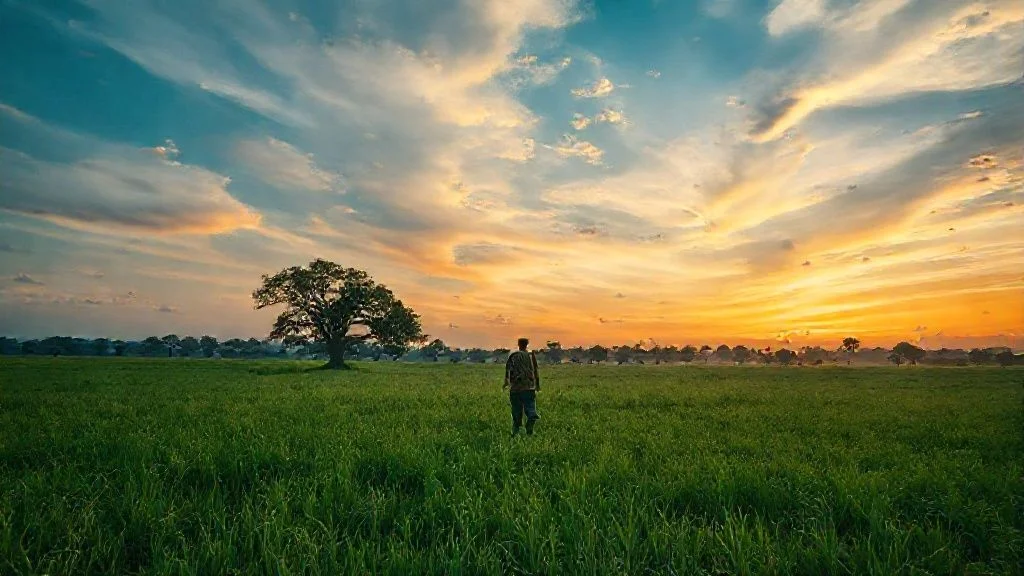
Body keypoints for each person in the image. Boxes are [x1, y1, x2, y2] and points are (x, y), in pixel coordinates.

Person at [503, 337, 540, 436]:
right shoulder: (531, 355)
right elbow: (535, 371)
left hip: (515, 388)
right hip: (529, 387)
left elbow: (508, 371)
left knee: (516, 411)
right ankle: (530, 426)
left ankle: (515, 433)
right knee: (530, 408)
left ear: (518, 344)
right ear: (527, 344)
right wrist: (537, 385)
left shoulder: (513, 355)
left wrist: (506, 383)